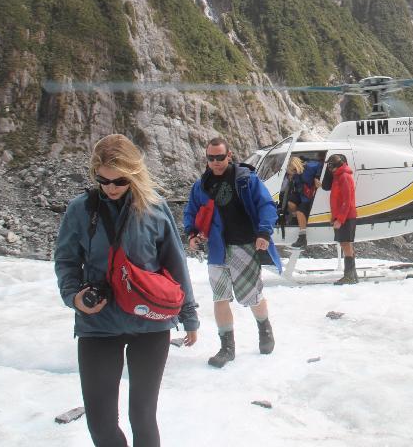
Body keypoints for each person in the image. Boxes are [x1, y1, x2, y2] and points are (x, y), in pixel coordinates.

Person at [54, 134, 199, 447]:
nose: (111, 188)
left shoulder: (155, 210)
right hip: (98, 324)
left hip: (150, 323)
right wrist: (74, 297)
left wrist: (189, 316)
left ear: (133, 173)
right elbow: (66, 260)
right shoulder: (80, 210)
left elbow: (176, 264)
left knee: (143, 417)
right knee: (100, 424)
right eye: (103, 181)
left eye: (119, 181)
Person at [183, 137, 281, 368]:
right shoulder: (201, 185)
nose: (215, 162)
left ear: (229, 155)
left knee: (252, 294)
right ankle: (227, 347)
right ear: (206, 159)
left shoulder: (246, 180)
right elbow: (191, 211)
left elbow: (266, 205)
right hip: (217, 249)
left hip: (244, 244)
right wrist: (192, 234)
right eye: (211, 158)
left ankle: (265, 329)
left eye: (220, 157)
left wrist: (264, 233)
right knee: (220, 297)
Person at [327, 153, 358, 285]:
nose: (330, 169)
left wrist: (340, 219)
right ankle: (352, 275)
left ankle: (349, 276)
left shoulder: (344, 176)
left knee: (345, 243)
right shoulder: (339, 176)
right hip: (343, 216)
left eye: (331, 166)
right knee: (346, 243)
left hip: (346, 216)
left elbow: (347, 200)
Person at [285, 156, 321, 248]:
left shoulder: (310, 166)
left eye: (293, 170)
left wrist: (317, 177)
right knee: (290, 203)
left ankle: (302, 237)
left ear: (297, 166)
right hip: (301, 193)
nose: (293, 172)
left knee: (300, 211)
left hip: (309, 196)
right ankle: (296, 219)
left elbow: (320, 165)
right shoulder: (295, 174)